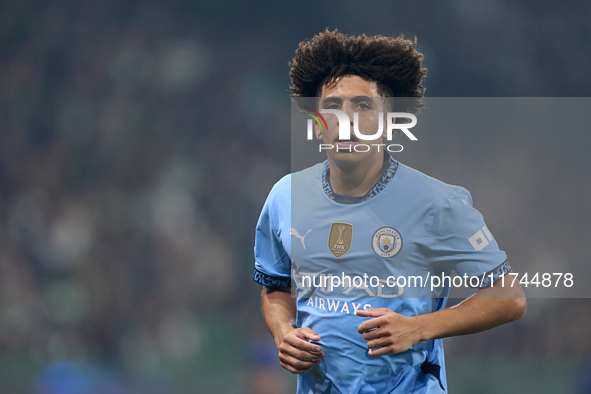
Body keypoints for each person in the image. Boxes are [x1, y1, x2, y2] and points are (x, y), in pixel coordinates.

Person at [253, 29, 526, 393]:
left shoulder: (437, 203)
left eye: (362, 106)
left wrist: (419, 327)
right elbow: (275, 287)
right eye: (332, 106)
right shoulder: (285, 196)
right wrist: (283, 331)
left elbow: (510, 297)